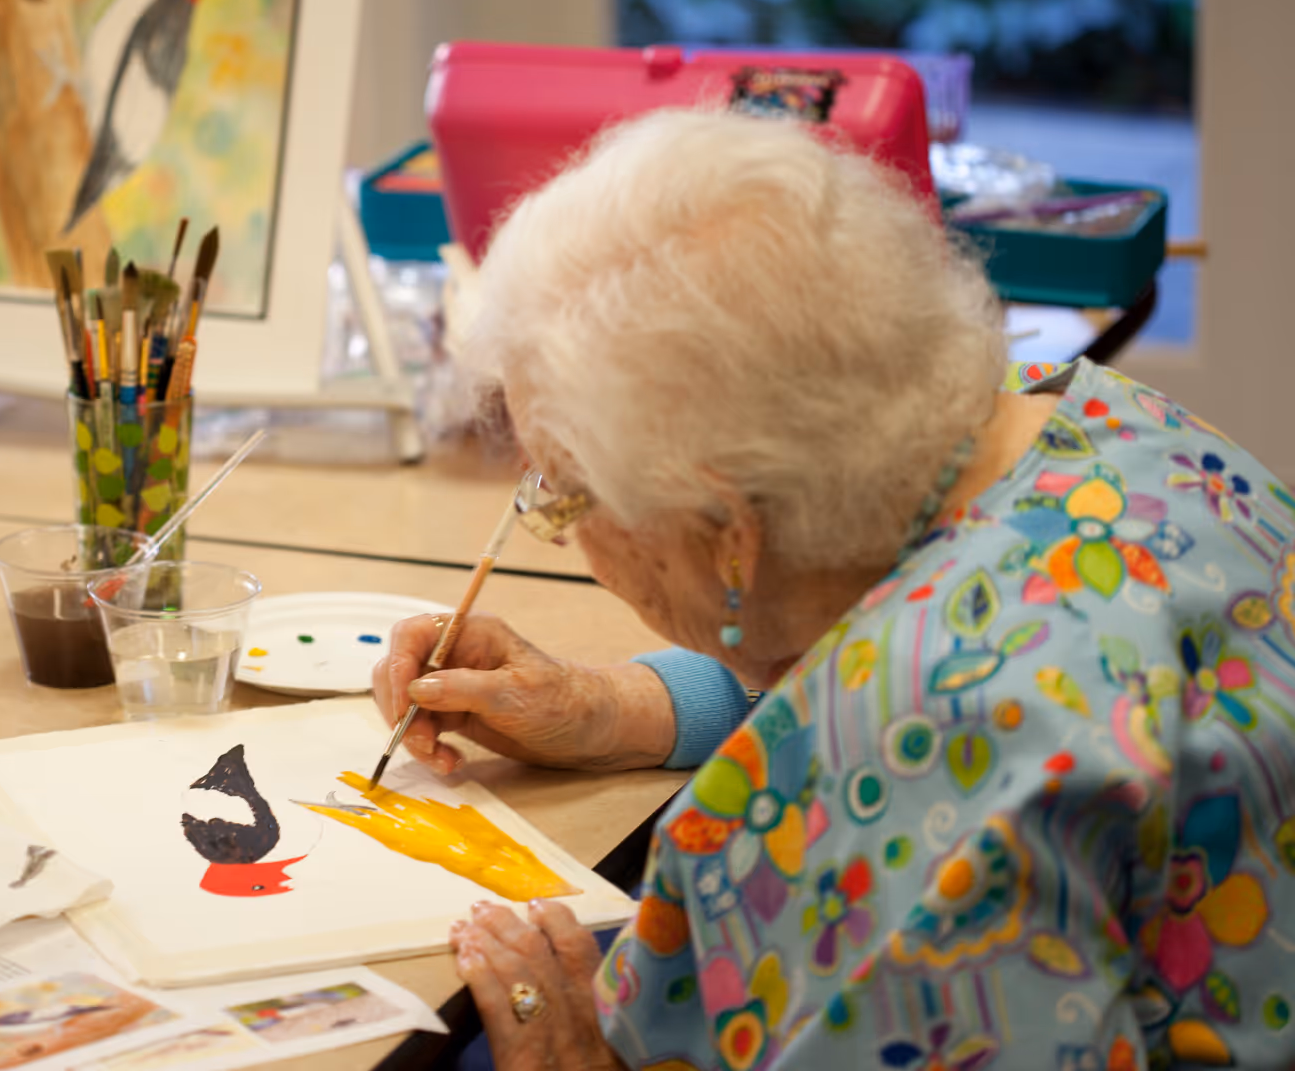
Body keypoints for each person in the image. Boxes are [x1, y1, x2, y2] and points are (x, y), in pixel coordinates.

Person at [373, 110, 1295, 1070]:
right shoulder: (1082, 427)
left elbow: (919, 706)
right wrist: (615, 707)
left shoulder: (932, 750)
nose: (554, 523)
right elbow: (859, 600)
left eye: (557, 497)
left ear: (728, 534)